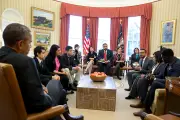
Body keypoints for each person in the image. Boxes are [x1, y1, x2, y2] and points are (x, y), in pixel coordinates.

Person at [0, 23, 83, 120]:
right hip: (28, 110)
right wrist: (45, 95)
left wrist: (39, 86)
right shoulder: (25, 61)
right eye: (30, 43)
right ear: (20, 44)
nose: (30, 47)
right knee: (60, 90)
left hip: (9, 109)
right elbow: (39, 103)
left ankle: (65, 117)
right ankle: (66, 115)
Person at [133, 49, 180, 117]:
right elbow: (161, 75)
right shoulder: (168, 62)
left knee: (155, 83)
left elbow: (171, 81)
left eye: (163, 57)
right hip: (165, 81)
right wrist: (152, 76)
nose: (162, 59)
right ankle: (142, 101)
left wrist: (155, 79)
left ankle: (146, 108)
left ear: (168, 57)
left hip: (171, 85)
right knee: (146, 79)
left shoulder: (177, 65)